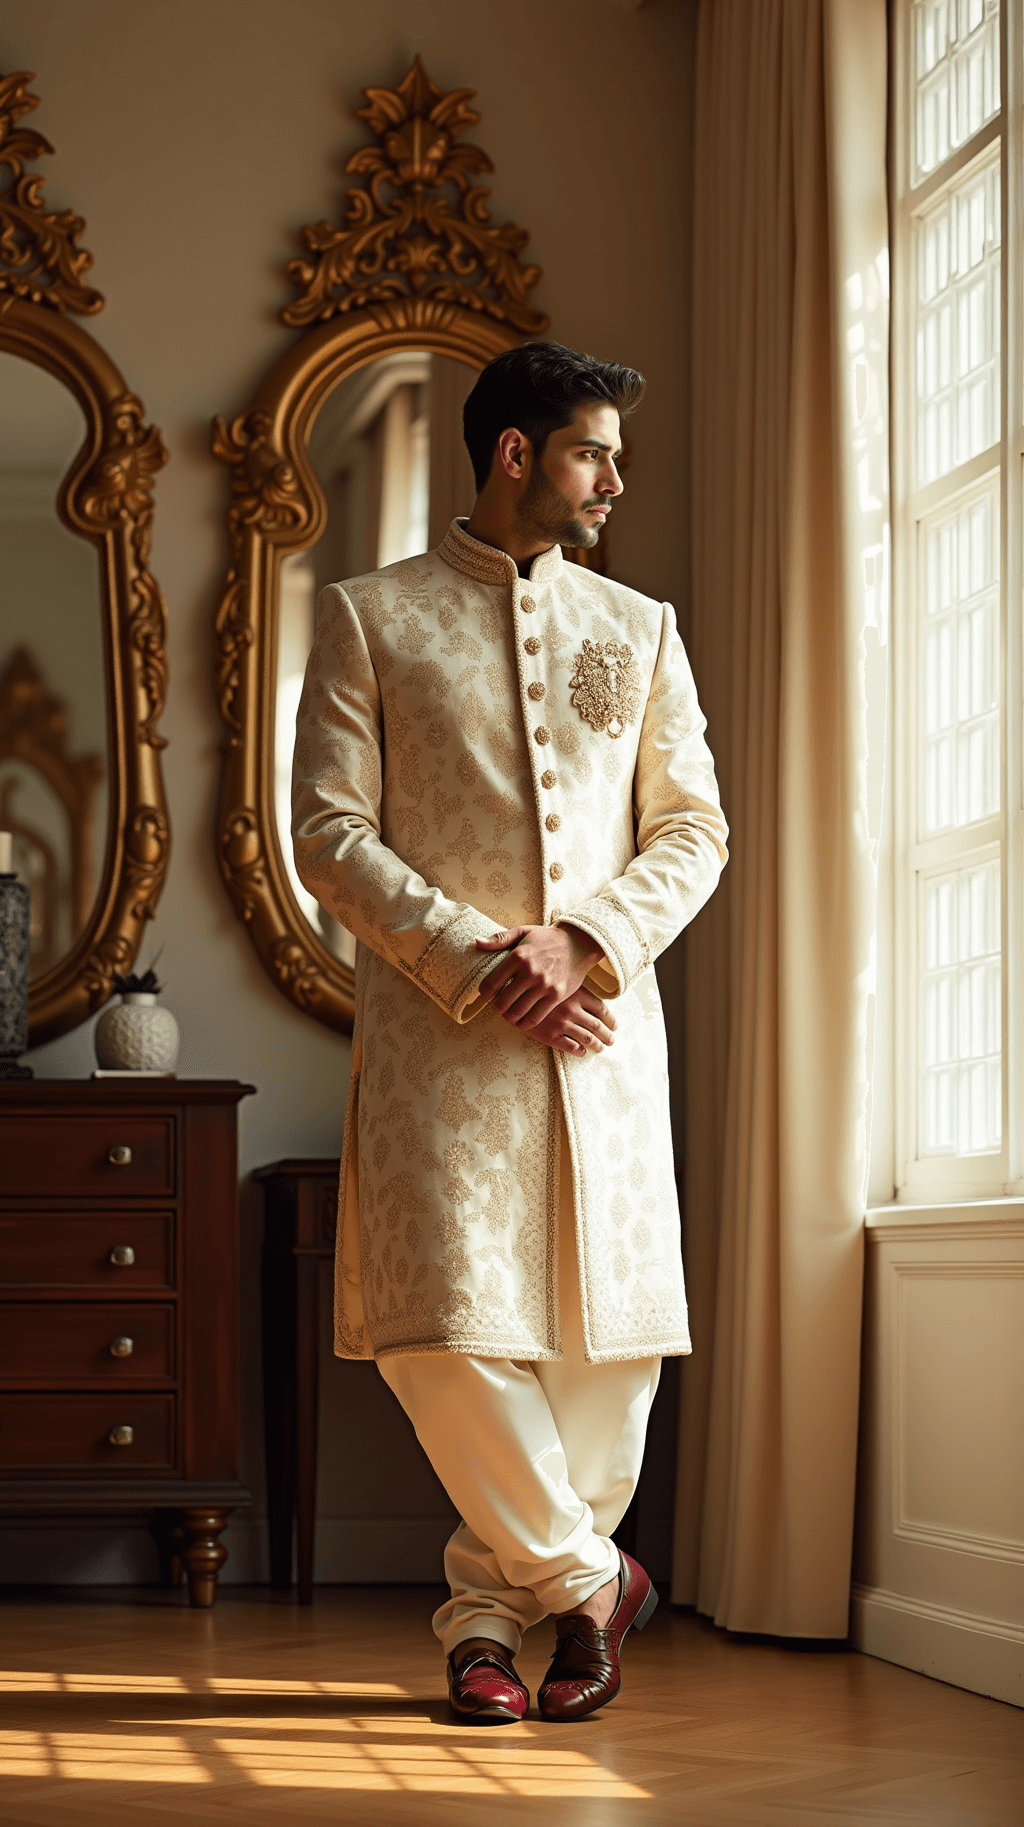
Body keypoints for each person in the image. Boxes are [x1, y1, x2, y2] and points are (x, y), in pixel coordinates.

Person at [292, 340, 727, 1723]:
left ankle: (496, 1629)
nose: (616, 479)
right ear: (517, 452)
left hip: (600, 1036)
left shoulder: (641, 628)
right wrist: (482, 951)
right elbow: (328, 833)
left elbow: (694, 830)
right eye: (595, 451)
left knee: (604, 1351)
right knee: (445, 1330)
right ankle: (594, 1581)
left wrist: (582, 942)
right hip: (441, 1042)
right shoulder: (372, 617)